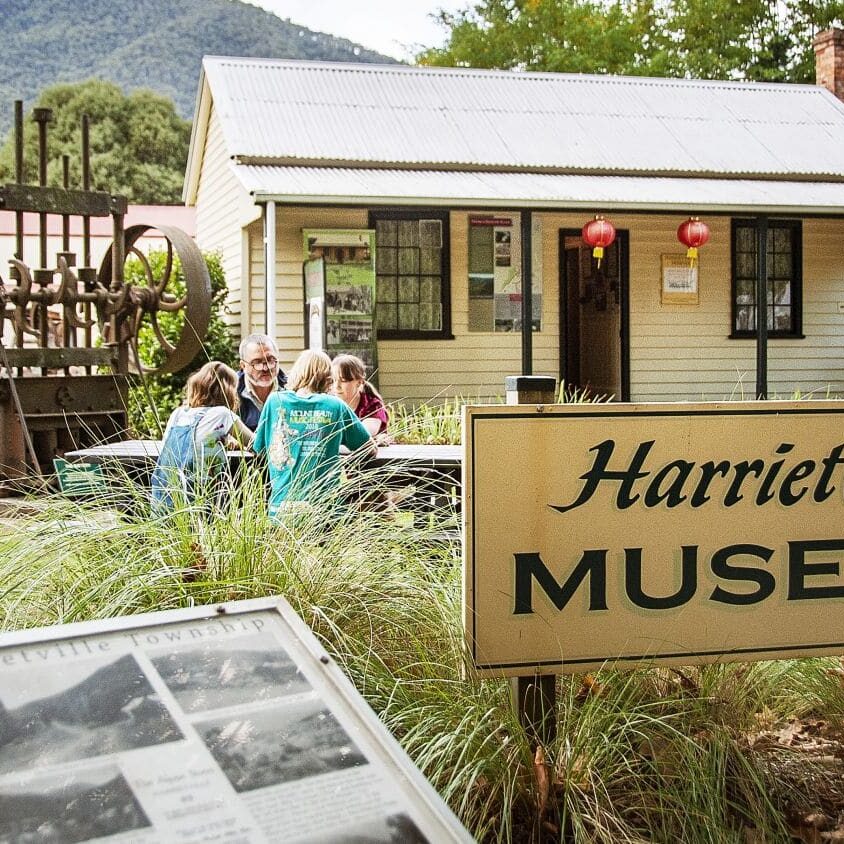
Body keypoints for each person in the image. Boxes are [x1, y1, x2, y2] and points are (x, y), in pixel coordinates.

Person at [252, 349, 375, 519]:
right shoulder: (336, 406)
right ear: (328, 377)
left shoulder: (274, 401)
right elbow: (369, 449)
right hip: (325, 512)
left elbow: (258, 449)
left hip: (280, 510)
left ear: (296, 372)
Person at [151, 361, 254, 511]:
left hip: (163, 498)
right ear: (228, 390)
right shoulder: (223, 414)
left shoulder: (178, 413)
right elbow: (255, 443)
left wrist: (223, 442)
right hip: (199, 503)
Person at [330, 354, 392, 446]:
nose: (336, 386)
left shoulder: (373, 406)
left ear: (359, 382)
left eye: (343, 380)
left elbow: (359, 439)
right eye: (333, 380)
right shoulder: (328, 405)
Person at [238, 334, 287, 431]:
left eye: (271, 360)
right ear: (243, 365)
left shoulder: (291, 389)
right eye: (257, 362)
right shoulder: (231, 392)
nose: (265, 368)